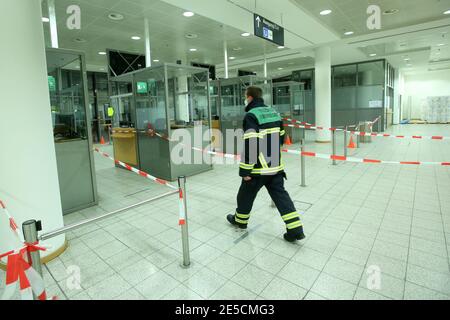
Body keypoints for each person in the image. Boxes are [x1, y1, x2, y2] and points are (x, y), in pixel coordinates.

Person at [226, 86, 306, 242]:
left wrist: (245, 171)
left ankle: (240, 221)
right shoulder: (274, 112)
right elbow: (282, 137)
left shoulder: (251, 115)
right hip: (275, 165)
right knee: (282, 197)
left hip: (258, 168)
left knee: (245, 195)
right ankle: (296, 230)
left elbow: (251, 143)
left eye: (245, 96)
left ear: (249, 97)